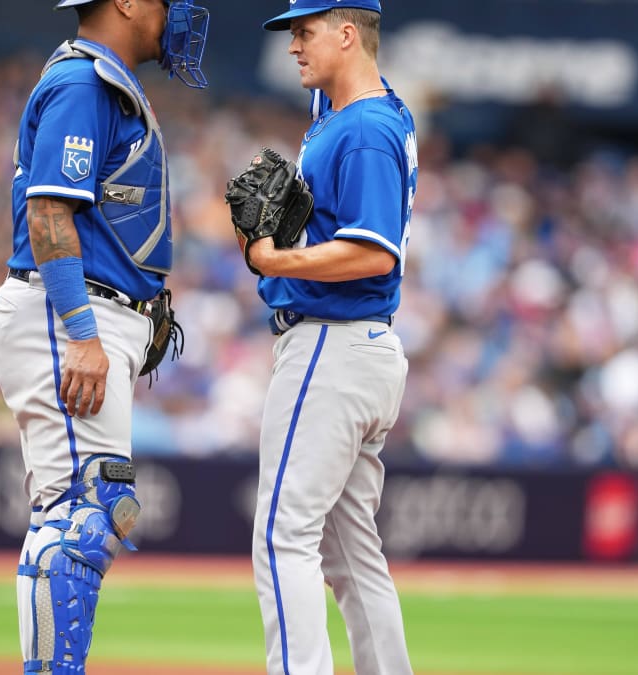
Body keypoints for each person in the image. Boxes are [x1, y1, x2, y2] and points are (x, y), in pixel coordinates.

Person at [0, 1, 209, 673]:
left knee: (81, 509)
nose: (178, 14)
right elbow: (49, 209)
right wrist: (83, 330)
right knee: (85, 513)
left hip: (88, 312)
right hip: (65, 315)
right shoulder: (85, 82)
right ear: (128, 3)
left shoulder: (105, 79)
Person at [242, 1, 418, 673]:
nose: (293, 45)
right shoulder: (356, 114)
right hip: (358, 347)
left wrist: (277, 258)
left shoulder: (366, 127)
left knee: (284, 534)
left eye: (305, 30)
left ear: (349, 34)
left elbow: (374, 253)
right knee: (352, 554)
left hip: (331, 345)